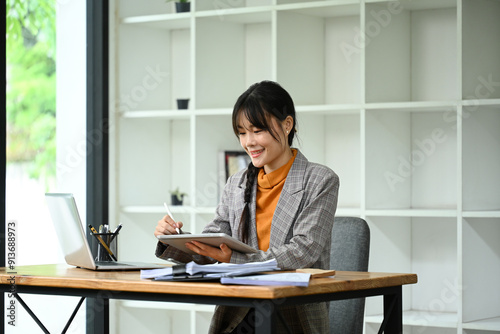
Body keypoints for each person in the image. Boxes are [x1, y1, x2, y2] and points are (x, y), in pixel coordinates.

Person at [154, 80, 339, 334]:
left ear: (287, 125)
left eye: (257, 130)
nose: (248, 141)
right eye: (242, 132)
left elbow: (302, 251)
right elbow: (210, 246)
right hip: (239, 312)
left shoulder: (320, 180)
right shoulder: (237, 182)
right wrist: (173, 239)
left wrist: (236, 258)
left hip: (291, 315)